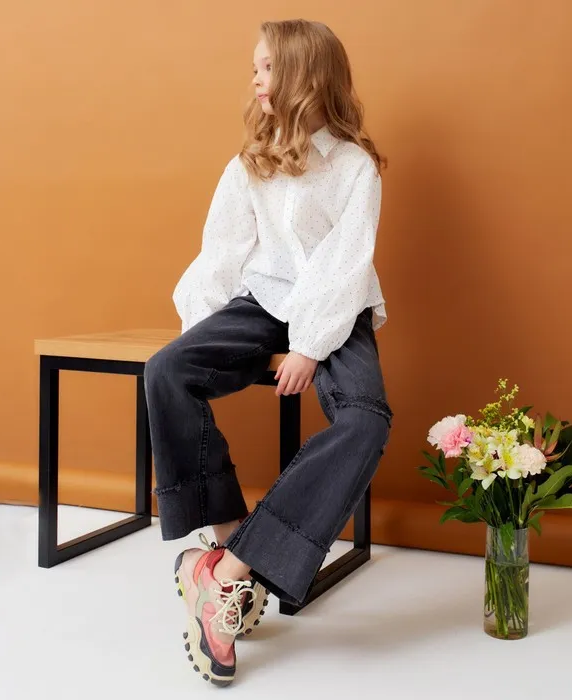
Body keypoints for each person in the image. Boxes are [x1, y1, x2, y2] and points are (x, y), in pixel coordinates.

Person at [144, 18, 392, 687]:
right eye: (254, 68)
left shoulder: (354, 167)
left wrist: (309, 345)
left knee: (366, 420)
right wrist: (202, 334)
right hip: (261, 302)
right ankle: (229, 541)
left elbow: (344, 264)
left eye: (267, 67)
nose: (255, 79)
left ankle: (228, 575)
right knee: (168, 370)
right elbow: (223, 252)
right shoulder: (249, 163)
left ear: (304, 74)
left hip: (335, 309)